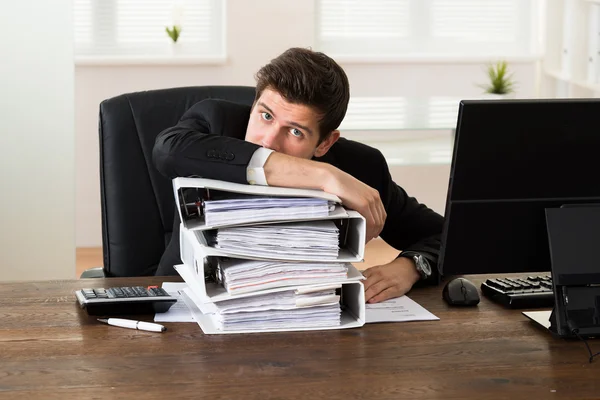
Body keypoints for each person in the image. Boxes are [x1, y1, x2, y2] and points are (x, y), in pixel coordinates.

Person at [152, 47, 444, 303]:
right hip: (185, 304)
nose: (268, 141)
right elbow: (167, 151)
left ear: (325, 143)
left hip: (307, 314)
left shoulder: (362, 166)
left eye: (295, 131)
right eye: (265, 116)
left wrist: (411, 266)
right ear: (254, 106)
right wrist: (324, 176)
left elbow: (448, 234)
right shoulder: (215, 121)